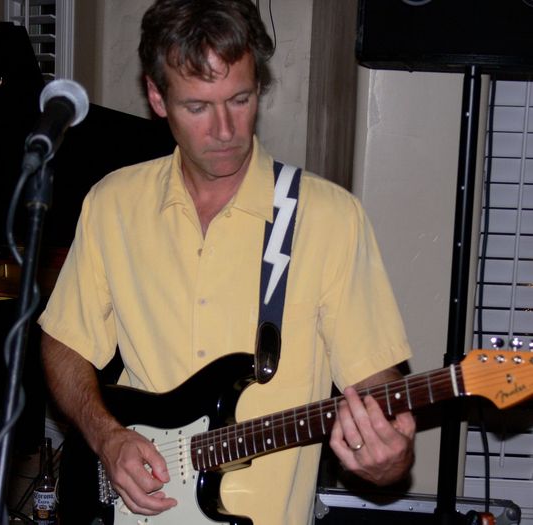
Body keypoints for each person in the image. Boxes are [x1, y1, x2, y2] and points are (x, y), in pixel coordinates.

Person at [38, 0, 416, 523]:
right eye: (197, 106)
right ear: (156, 96)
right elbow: (63, 341)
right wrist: (106, 438)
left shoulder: (330, 218)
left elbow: (376, 386)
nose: (224, 129)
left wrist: (388, 457)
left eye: (240, 99)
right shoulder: (113, 204)